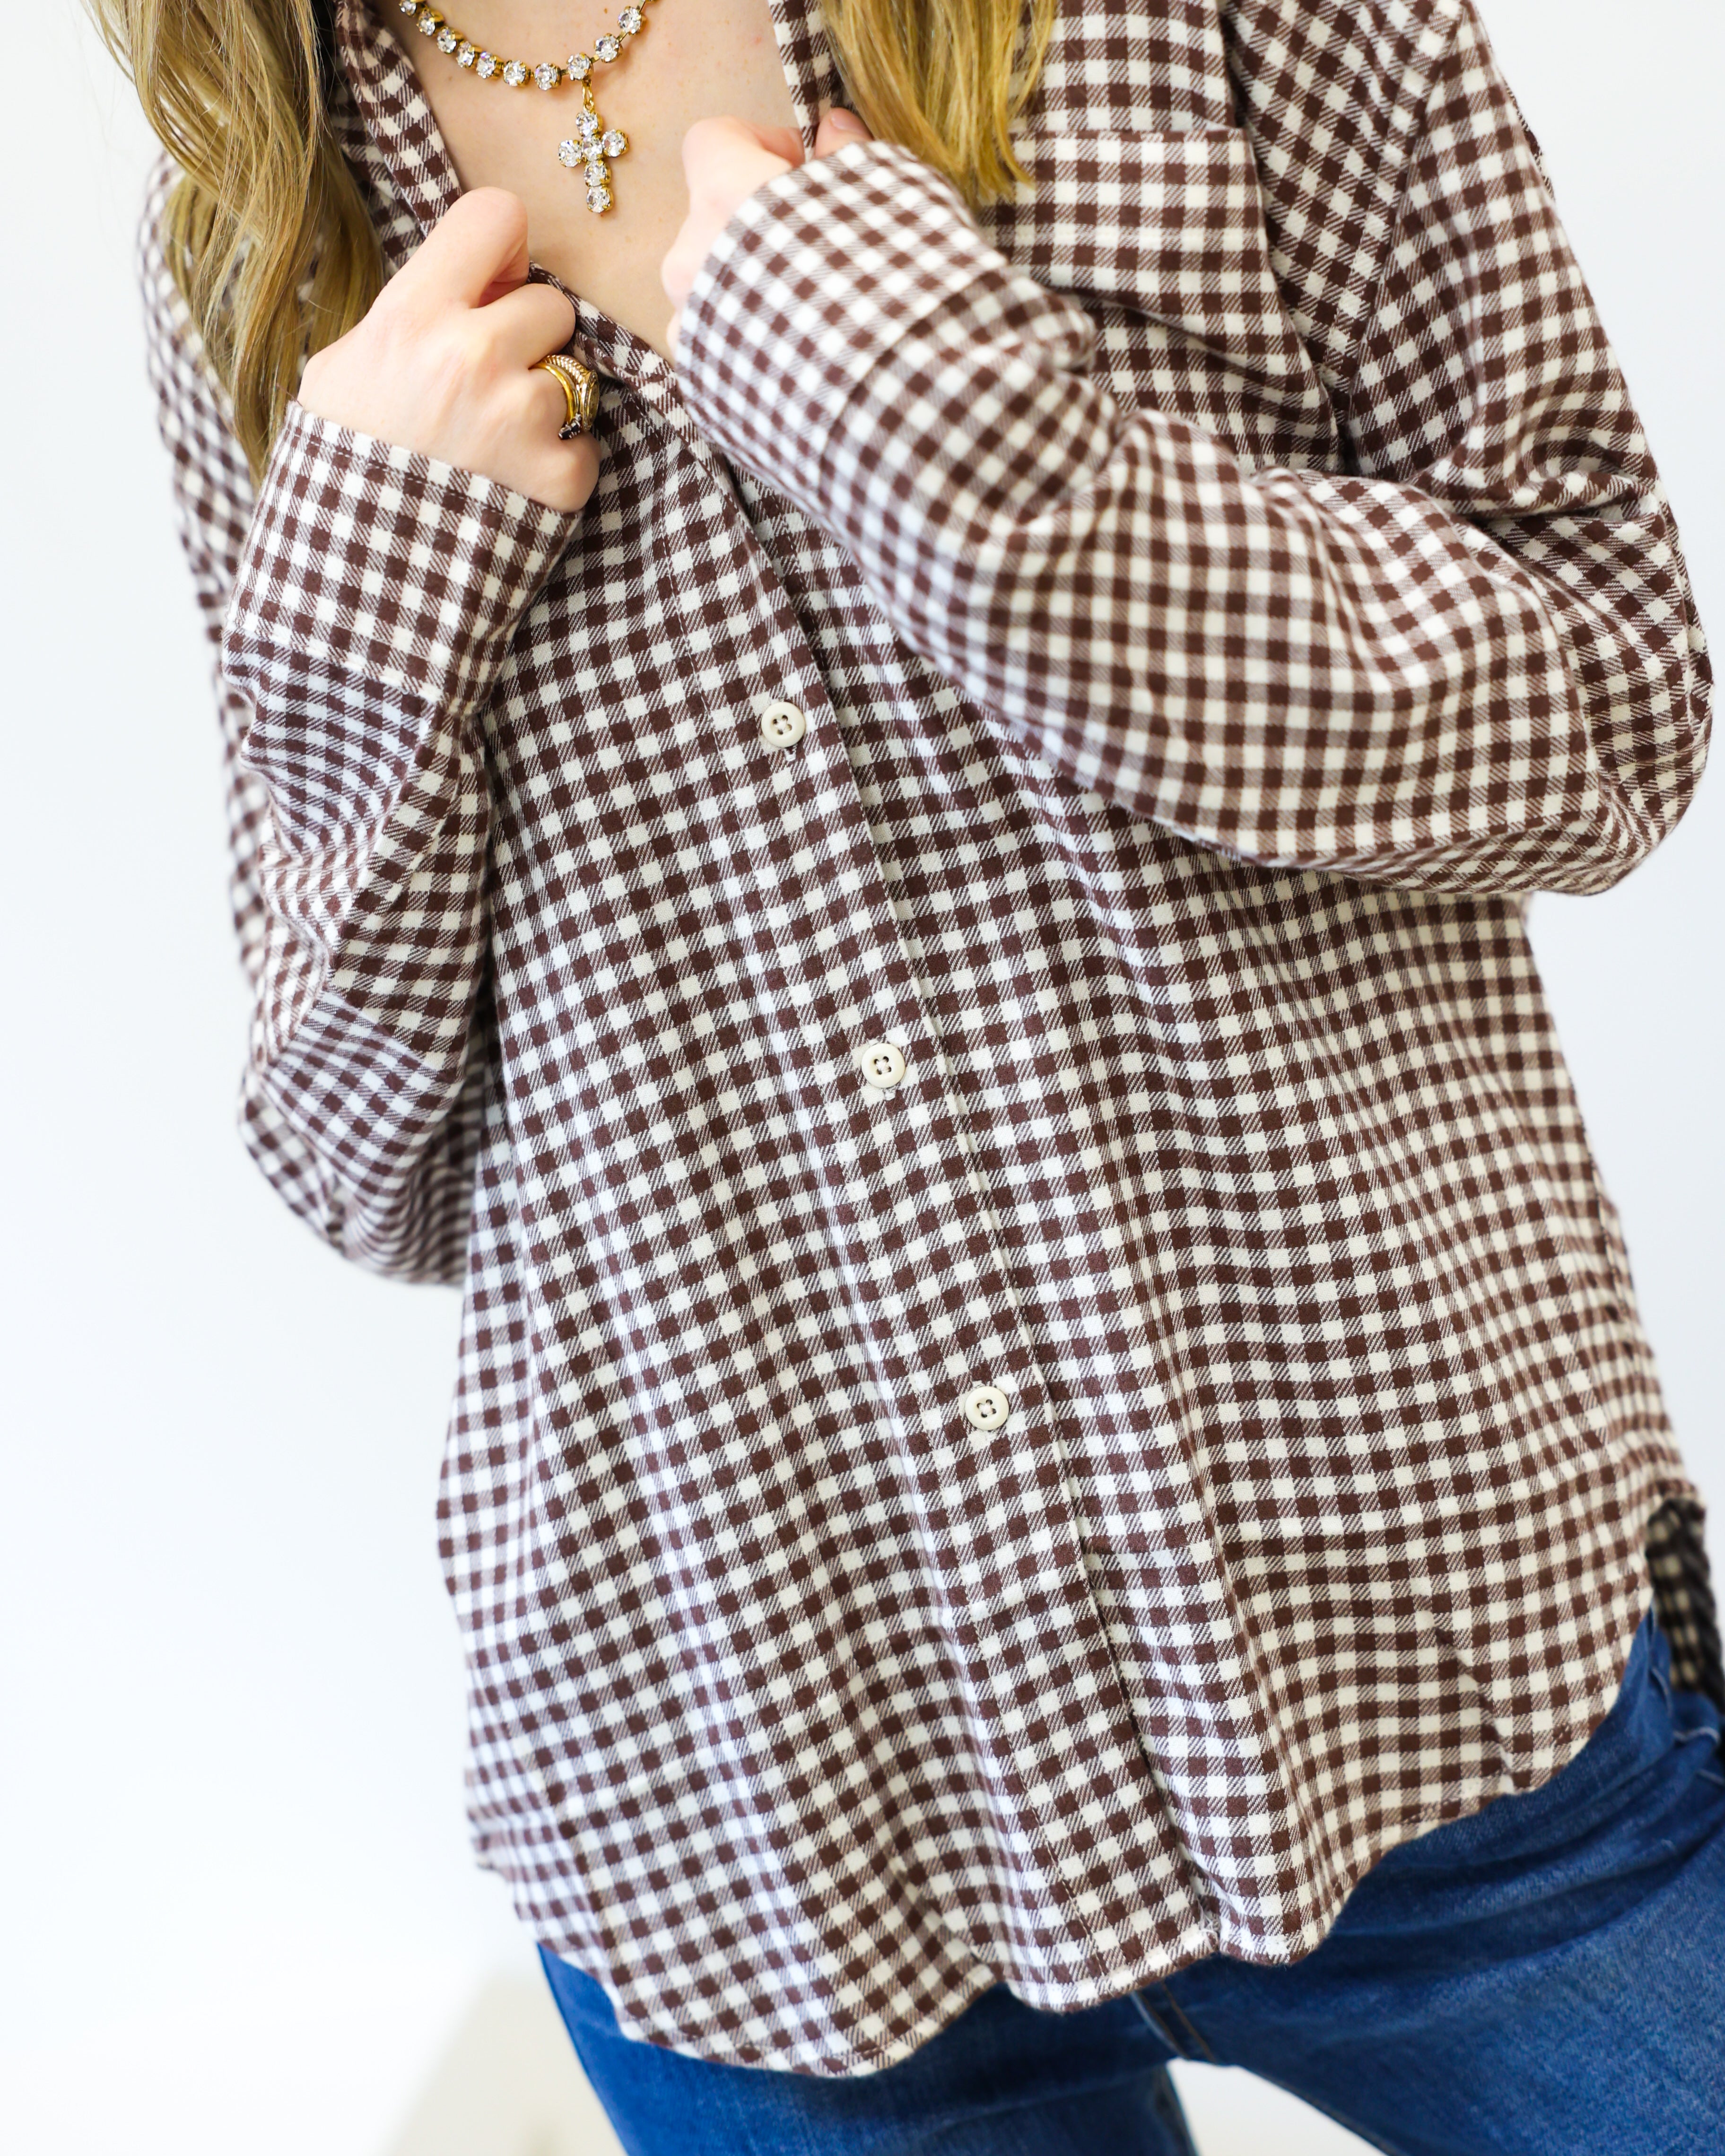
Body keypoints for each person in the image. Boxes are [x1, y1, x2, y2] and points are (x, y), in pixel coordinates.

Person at [99, 0, 1721, 2145]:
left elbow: (1609, 710)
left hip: (1415, 1684)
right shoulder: (259, 207)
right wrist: (377, 616)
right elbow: (359, 1165)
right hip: (754, 1814)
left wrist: (978, 459)